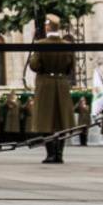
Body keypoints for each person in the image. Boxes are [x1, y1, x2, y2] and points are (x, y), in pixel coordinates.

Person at [28, 19, 76, 165]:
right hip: (62, 84)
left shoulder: (41, 44)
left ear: (48, 27)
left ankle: (50, 154)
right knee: (61, 120)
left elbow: (35, 65)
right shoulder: (67, 45)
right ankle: (59, 154)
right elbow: (70, 66)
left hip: (45, 83)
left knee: (45, 120)